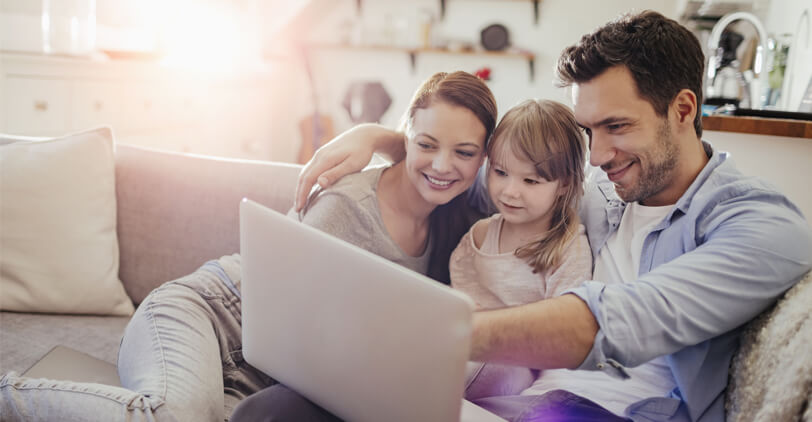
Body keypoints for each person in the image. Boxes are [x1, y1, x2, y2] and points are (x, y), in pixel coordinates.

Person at [291, 10, 812, 421]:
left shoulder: (761, 226)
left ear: (682, 110)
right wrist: (383, 139)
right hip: (524, 399)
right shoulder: (592, 193)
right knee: (288, 409)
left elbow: (619, 319)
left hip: (618, 411)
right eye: (588, 132)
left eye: (616, 126)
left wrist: (425, 331)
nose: (599, 154)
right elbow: (471, 180)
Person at [0, 71, 497, 422]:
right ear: (406, 136)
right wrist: (381, 137)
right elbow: (293, 326)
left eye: (464, 152)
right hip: (206, 314)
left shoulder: (461, 218)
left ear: (483, 160)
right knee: (173, 418)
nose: (442, 164)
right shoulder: (347, 205)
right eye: (426, 144)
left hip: (259, 371)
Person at [451, 99, 592, 400]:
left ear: (565, 184)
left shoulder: (568, 248)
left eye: (530, 180)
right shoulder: (481, 235)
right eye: (500, 172)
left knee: (497, 369)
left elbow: (566, 333)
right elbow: (458, 300)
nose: (510, 191)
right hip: (464, 352)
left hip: (519, 370)